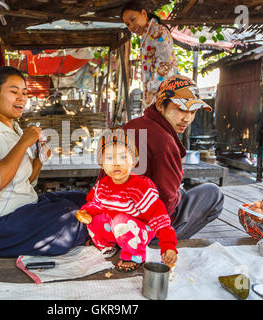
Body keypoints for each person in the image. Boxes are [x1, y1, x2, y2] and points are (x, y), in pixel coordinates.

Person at [0, 66, 88, 258]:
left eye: (24, 92)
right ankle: (98, 232)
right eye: (14, 92)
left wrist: (39, 159)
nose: (21, 98)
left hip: (24, 210)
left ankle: (95, 228)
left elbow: (25, 181)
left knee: (84, 200)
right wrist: (23, 143)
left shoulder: (15, 128)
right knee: (72, 216)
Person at [123, 75, 224, 240]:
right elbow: (166, 203)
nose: (187, 119)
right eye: (181, 110)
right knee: (213, 194)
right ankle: (162, 241)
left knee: (181, 193)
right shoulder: (165, 141)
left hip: (114, 219)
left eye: (193, 112)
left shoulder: (131, 125)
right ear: (160, 106)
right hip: (143, 229)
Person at [76, 128, 177, 272]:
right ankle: (108, 246)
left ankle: (134, 255)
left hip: (140, 231)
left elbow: (158, 216)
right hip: (117, 229)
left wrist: (168, 244)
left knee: (120, 220)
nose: (116, 163)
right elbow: (96, 203)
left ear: (134, 161)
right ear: (101, 163)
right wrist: (87, 211)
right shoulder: (103, 185)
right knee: (95, 220)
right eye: (109, 158)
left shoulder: (140, 187)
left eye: (123, 157)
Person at [121, 1, 178, 110]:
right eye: (127, 24)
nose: (131, 26)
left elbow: (165, 65)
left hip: (162, 97)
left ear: (143, 13)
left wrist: (153, 90)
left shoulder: (158, 31)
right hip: (157, 97)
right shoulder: (147, 36)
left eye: (133, 19)